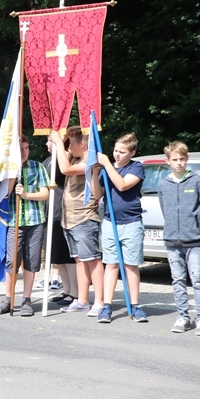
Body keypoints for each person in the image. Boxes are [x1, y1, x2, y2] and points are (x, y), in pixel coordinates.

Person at [0, 137, 49, 317]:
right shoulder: (7, 170)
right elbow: (4, 195)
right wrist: (12, 175)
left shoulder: (37, 167)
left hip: (34, 220)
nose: (24, 152)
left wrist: (26, 194)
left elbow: (45, 193)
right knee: (12, 260)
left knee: (31, 261)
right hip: (14, 221)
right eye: (20, 149)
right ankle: (8, 299)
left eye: (26, 148)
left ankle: (26, 299)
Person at [50, 127, 104, 315]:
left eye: (72, 144)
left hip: (84, 218)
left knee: (92, 260)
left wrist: (59, 142)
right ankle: (82, 300)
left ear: (82, 144)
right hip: (69, 219)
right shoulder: (74, 157)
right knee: (79, 260)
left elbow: (66, 169)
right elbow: (58, 159)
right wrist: (63, 137)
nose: (69, 147)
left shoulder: (90, 161)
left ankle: (99, 302)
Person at [94, 132, 148, 324]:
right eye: (115, 150)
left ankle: (135, 305)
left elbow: (123, 185)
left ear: (132, 153)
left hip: (131, 222)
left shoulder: (136, 167)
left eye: (122, 152)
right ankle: (106, 306)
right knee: (111, 264)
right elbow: (98, 194)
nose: (117, 154)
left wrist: (107, 165)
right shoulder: (106, 169)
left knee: (131, 265)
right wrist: (94, 173)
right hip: (110, 222)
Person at [157, 141, 200, 334]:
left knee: (198, 279)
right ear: (167, 161)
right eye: (175, 159)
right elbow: (164, 209)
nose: (179, 163)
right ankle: (183, 317)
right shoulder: (163, 184)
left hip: (195, 240)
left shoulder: (196, 181)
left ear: (187, 159)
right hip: (172, 240)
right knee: (177, 279)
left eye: (182, 159)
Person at [43, 142, 77, 306]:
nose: (46, 143)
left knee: (65, 252)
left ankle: (75, 292)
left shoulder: (63, 158)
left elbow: (60, 172)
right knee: (56, 254)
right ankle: (66, 289)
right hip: (49, 209)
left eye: (49, 140)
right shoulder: (47, 160)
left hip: (60, 207)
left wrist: (60, 141)